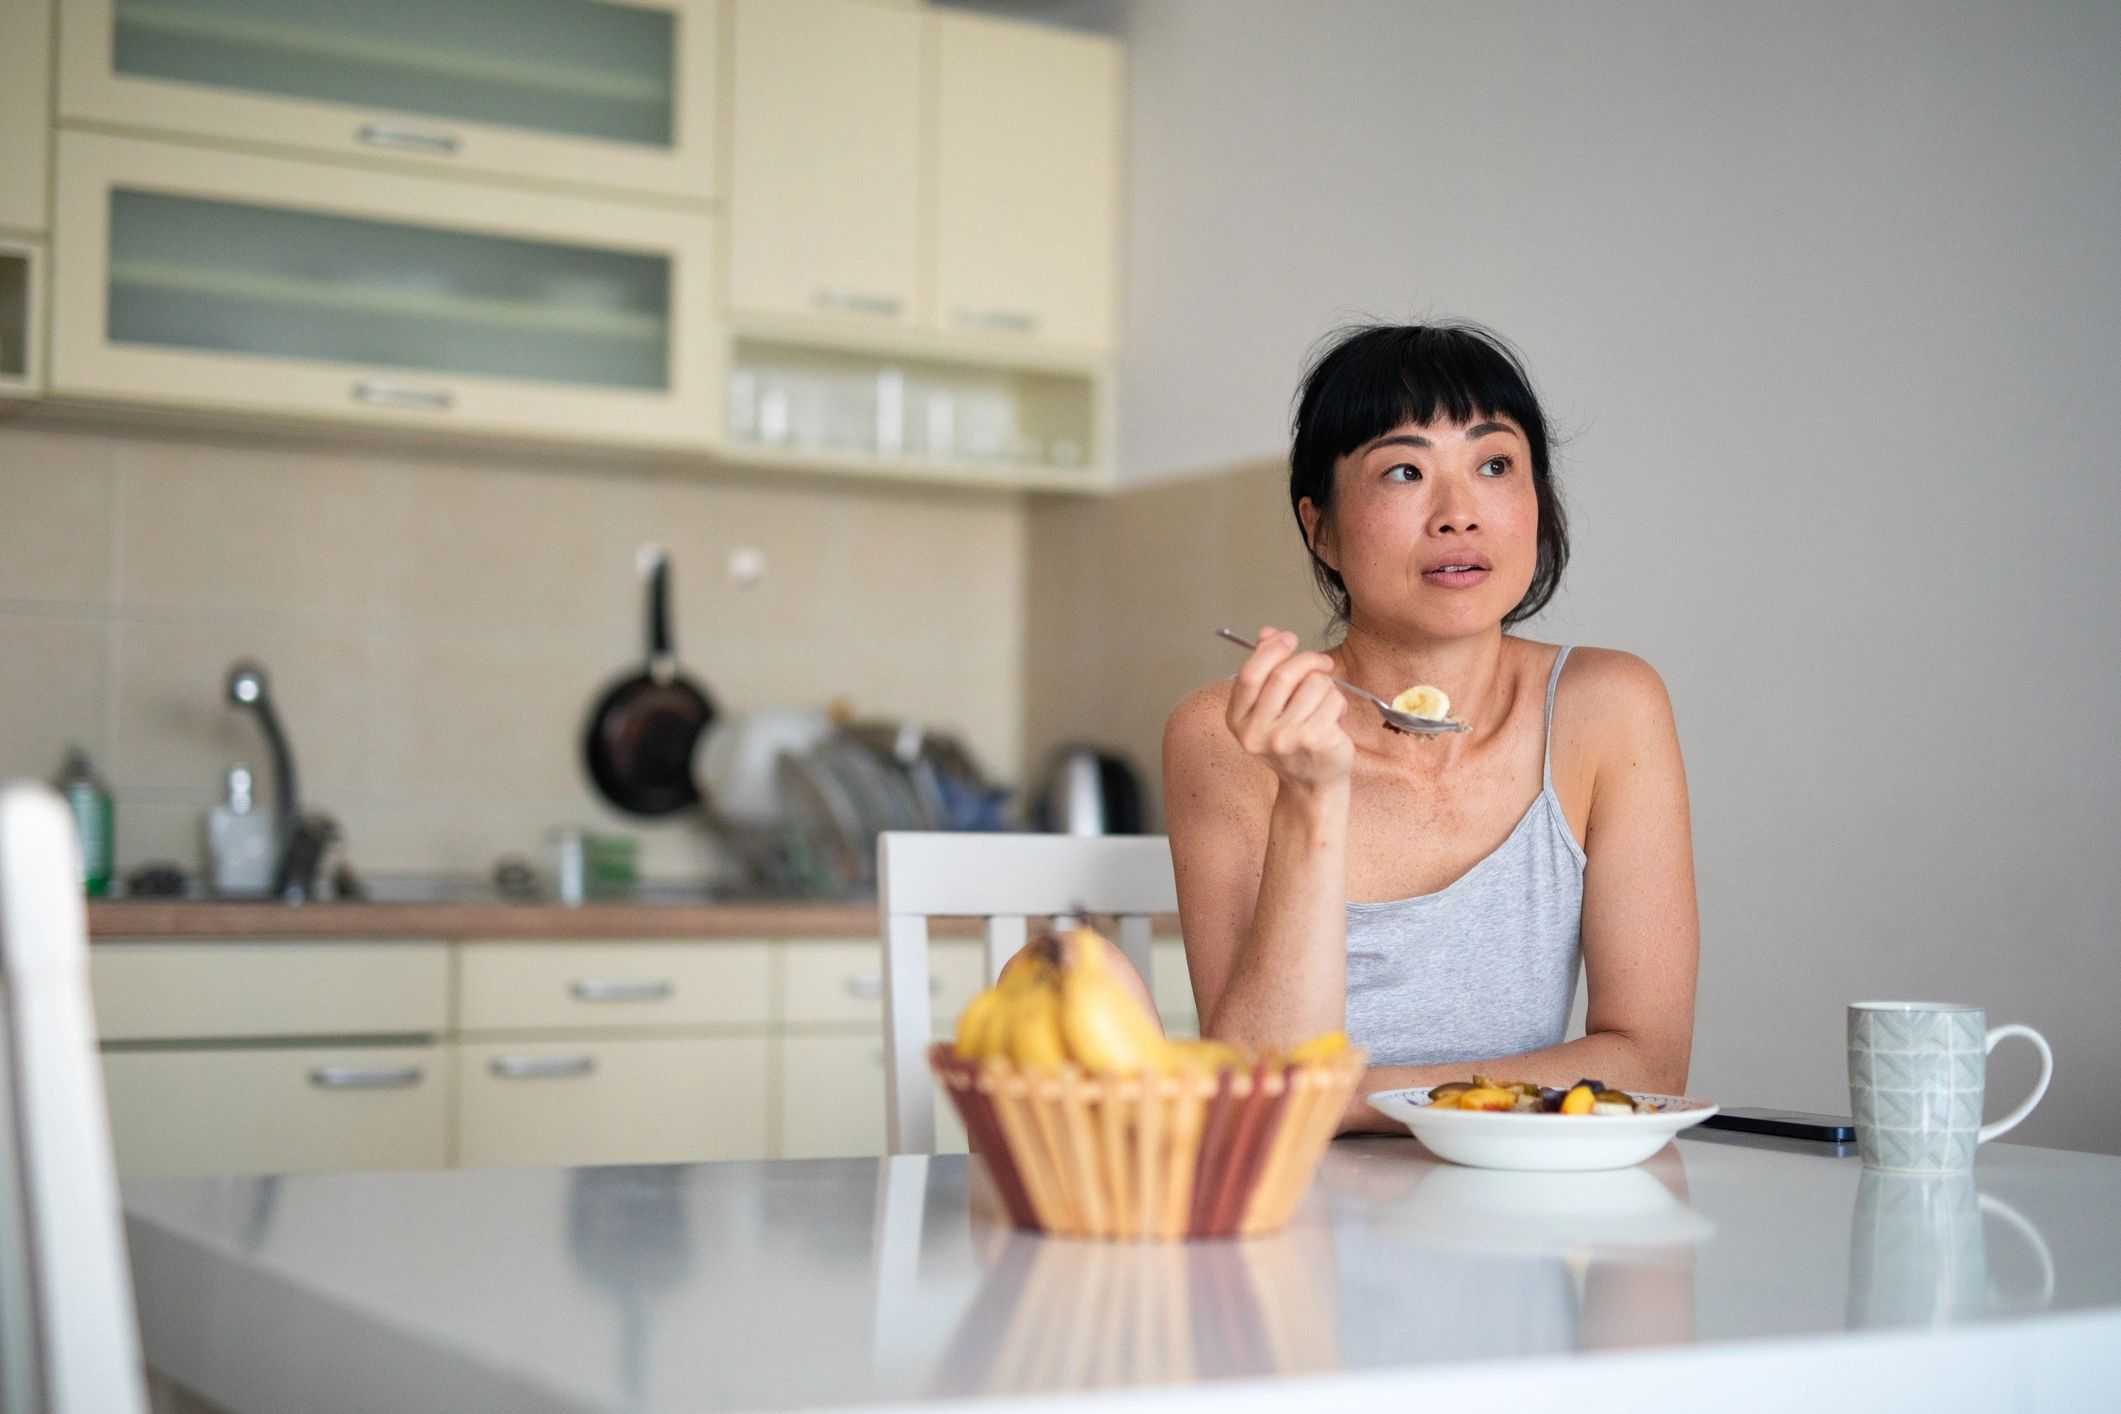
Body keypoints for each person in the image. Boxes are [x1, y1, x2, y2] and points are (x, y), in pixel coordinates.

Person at [1161, 322, 1699, 1130]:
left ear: (1537, 503)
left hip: (1522, 1214)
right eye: (1404, 471)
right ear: (1320, 529)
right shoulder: (1228, 733)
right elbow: (1257, 1102)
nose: (1458, 514)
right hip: (1296, 1222)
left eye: (1493, 466)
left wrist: (1353, 1097)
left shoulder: (1607, 706)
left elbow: (1646, 1060)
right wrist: (1311, 798)